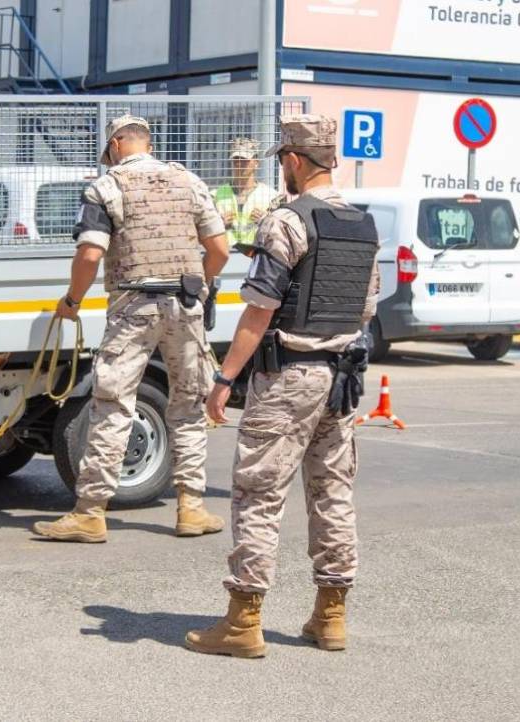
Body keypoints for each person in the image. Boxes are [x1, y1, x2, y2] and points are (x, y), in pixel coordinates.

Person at [185, 114, 381, 658]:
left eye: (281, 160)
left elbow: (257, 314)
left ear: (294, 161)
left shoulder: (286, 222)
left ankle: (244, 623)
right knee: (333, 493)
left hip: (288, 376)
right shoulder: (364, 225)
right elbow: (365, 308)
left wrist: (224, 379)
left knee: (257, 494)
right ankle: (331, 617)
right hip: (341, 379)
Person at [32, 115, 230, 543]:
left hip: (133, 307)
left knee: (114, 404)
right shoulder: (189, 182)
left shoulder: (106, 187)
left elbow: (89, 255)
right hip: (185, 305)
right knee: (188, 406)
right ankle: (191, 508)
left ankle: (90, 513)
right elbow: (219, 249)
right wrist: (202, 285)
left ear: (118, 144)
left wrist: (72, 302)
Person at [212, 137, 276, 254]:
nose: (239, 164)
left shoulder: (271, 196)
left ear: (256, 163)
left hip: (258, 255)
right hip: (226, 256)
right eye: (236, 159)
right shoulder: (215, 196)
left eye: (245, 160)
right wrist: (217, 224)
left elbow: (279, 234)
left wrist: (266, 221)